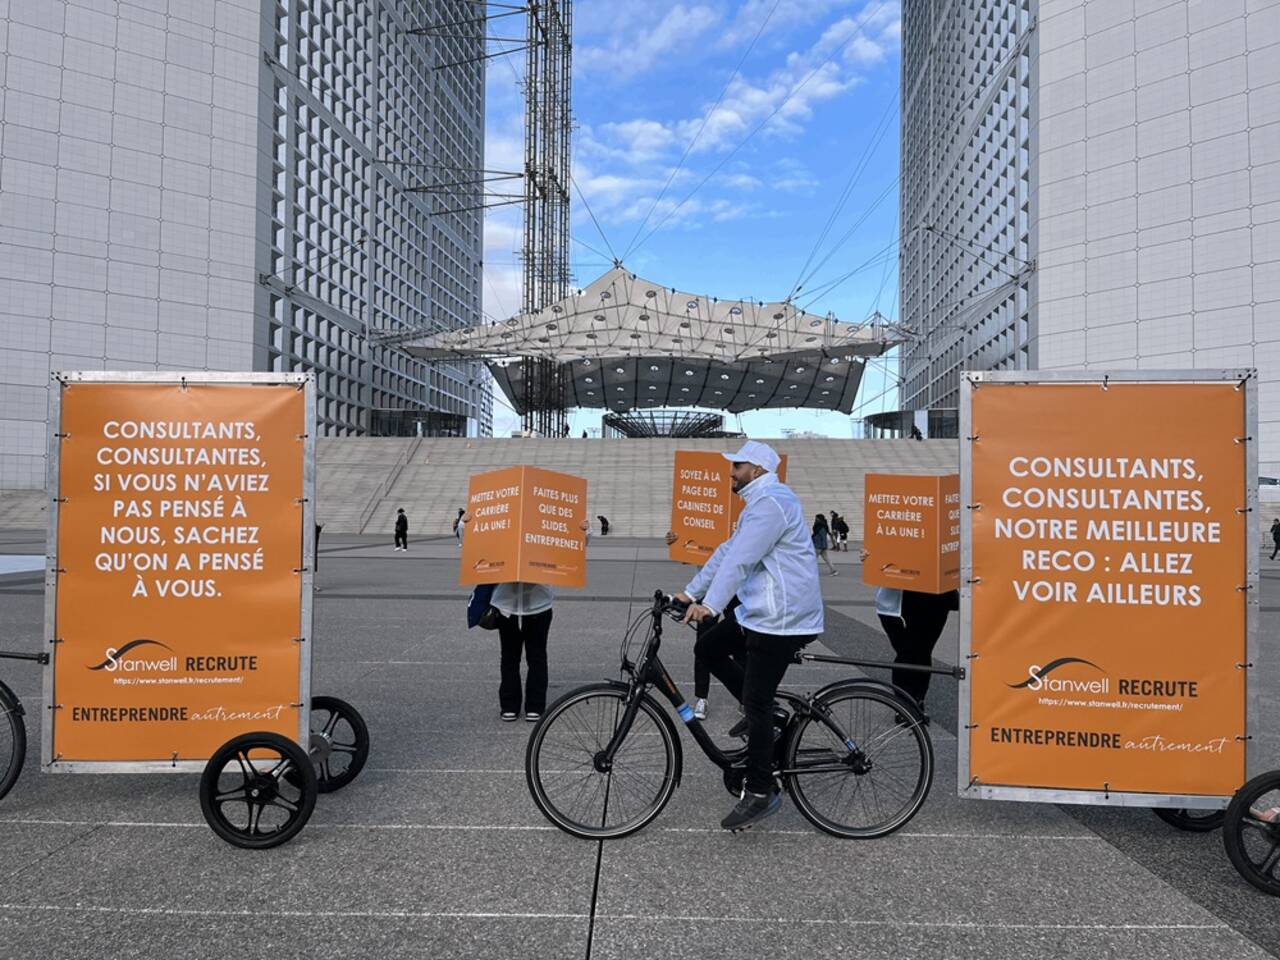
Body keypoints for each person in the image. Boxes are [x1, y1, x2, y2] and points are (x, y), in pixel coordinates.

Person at [676, 440, 823, 832]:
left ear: (756, 470)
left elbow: (741, 561)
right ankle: (773, 716)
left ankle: (760, 792)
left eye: (737, 465)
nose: (731, 472)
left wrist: (712, 605)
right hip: (762, 613)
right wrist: (691, 593)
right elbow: (728, 551)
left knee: (755, 703)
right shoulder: (759, 505)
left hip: (782, 619)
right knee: (709, 647)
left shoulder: (772, 504)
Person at [461, 512, 592, 722]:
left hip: (537, 601)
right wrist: (465, 524)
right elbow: (472, 544)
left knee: (537, 655)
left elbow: (572, 545)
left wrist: (583, 530)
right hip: (506, 603)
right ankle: (509, 704)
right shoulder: (503, 516)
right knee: (510, 656)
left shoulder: (545, 516)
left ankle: (535, 704)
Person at [862, 548, 958, 718]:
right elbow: (882, 540)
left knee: (921, 651)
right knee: (907, 652)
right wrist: (871, 555)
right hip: (897, 598)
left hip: (935, 596)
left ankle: (916, 700)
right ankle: (906, 701)